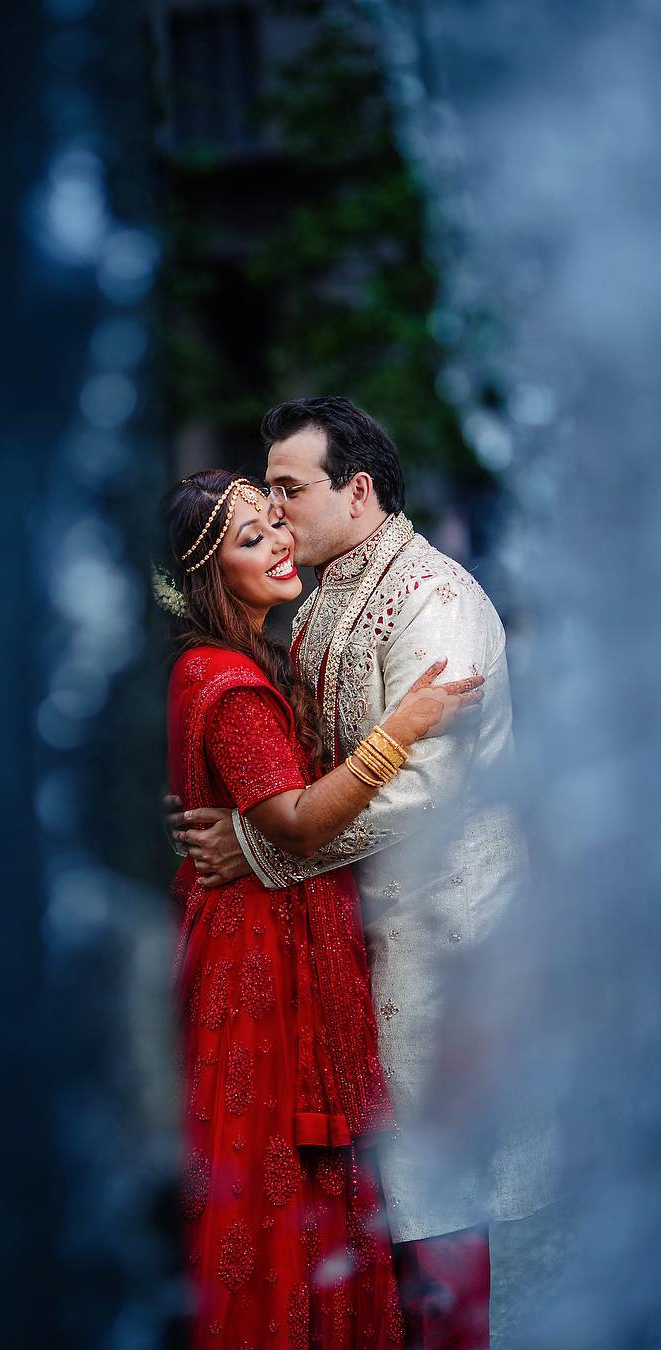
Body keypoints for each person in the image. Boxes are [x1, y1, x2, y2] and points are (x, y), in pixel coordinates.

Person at [172, 399, 555, 1349]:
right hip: (356, 941)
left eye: (290, 493)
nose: (277, 512)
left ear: (360, 489)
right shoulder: (332, 589)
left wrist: (259, 844)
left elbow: (424, 790)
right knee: (380, 1209)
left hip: (439, 940)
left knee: (440, 1202)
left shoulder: (432, 599)